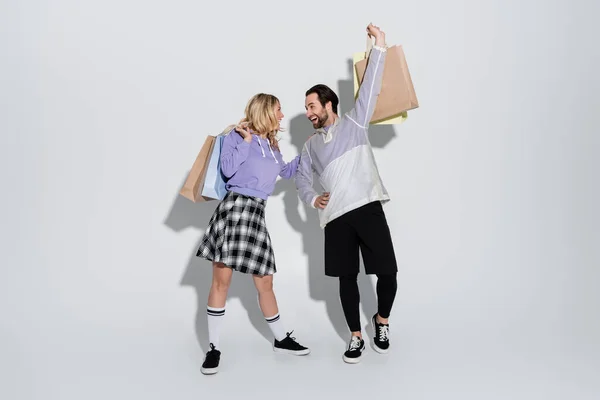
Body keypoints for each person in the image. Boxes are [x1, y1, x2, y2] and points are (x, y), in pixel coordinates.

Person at [295, 23, 398, 364]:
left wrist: (379, 45)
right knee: (346, 278)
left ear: (328, 104)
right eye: (306, 107)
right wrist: (311, 198)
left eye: (312, 105)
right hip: (336, 217)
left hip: (367, 208)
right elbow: (301, 177)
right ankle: (355, 336)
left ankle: (381, 321)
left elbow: (370, 87)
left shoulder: (354, 124)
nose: (308, 112)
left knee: (387, 272)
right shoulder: (310, 146)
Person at [196, 93, 310, 375]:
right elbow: (227, 168)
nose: (282, 116)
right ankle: (213, 348)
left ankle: (281, 339)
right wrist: (246, 141)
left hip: (257, 214)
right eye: (279, 110)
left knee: (265, 282)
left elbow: (284, 171)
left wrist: (309, 151)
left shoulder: (272, 145)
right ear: (266, 111)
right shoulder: (238, 137)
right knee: (221, 281)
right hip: (234, 211)